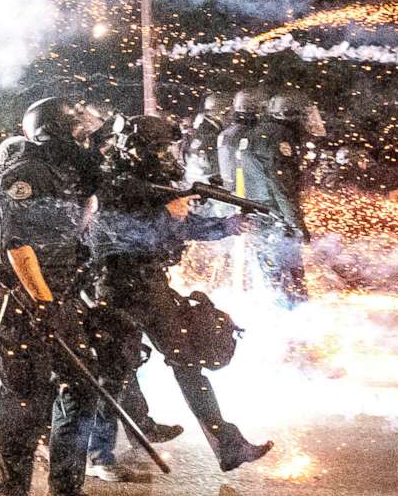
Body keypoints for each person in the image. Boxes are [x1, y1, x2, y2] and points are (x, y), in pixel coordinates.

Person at [93, 114, 274, 473]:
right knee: (115, 372)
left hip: (151, 284)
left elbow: (180, 226)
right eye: (158, 148)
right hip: (118, 287)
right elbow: (120, 235)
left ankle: (227, 444)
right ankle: (100, 455)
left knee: (186, 360)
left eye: (166, 148)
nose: (164, 155)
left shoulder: (153, 183)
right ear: (137, 148)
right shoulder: (113, 185)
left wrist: (227, 226)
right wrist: (167, 215)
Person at [0, 96, 110, 496]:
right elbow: (16, 245)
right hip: (27, 301)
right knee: (25, 400)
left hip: (61, 296)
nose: (84, 140)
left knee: (83, 382)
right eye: (77, 132)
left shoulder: (68, 171)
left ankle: (63, 486)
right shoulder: (25, 174)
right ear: (54, 132)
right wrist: (41, 301)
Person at [237, 94, 312, 305]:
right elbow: (282, 188)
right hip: (276, 217)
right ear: (289, 116)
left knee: (268, 272)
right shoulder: (280, 137)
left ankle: (277, 312)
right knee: (291, 276)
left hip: (256, 213)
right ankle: (295, 318)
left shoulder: (252, 134)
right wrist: (297, 224)